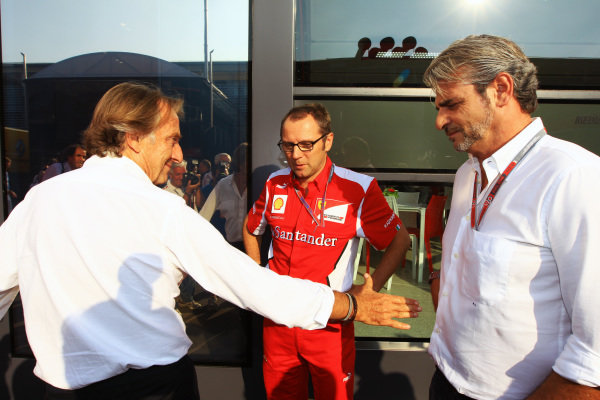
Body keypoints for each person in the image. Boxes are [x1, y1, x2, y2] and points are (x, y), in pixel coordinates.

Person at [0, 82, 421, 400]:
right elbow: (250, 283)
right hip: (154, 388)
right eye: (171, 138)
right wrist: (351, 304)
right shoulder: (162, 210)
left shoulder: (39, 199)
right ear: (132, 138)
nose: (180, 155)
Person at [423, 34, 600, 399]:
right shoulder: (466, 175)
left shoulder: (574, 176)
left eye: (451, 104)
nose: (440, 121)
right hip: (446, 378)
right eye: (438, 107)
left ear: (501, 89)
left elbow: (592, 360)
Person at [243, 103, 414, 400]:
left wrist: (368, 290)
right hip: (278, 320)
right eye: (287, 145)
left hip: (330, 321)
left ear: (328, 141)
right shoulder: (275, 183)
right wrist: (257, 275)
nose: (295, 154)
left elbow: (400, 241)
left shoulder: (357, 189)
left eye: (306, 145)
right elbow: (250, 228)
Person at [200, 142, 248, 251]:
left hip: (254, 250)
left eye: (227, 163)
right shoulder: (222, 185)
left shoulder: (259, 184)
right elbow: (204, 216)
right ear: (240, 164)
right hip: (230, 248)